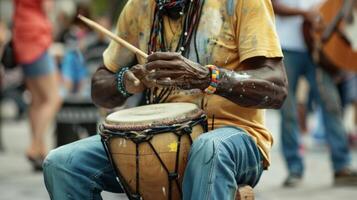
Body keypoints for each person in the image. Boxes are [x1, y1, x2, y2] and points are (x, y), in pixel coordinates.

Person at [43, 0, 287, 199]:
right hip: (155, 140)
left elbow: (276, 88)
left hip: (234, 136)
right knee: (62, 164)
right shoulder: (139, 7)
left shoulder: (242, 3)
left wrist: (206, 77)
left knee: (209, 148)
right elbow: (99, 88)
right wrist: (127, 81)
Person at [272, 0, 357, 187]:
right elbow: (272, 4)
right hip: (286, 47)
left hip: (320, 45)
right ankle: (294, 168)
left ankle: (341, 165)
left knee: (331, 104)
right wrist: (303, 14)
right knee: (288, 111)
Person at [13, 0, 62, 170]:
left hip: (22, 37)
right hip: (36, 38)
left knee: (37, 100)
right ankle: (34, 146)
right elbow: (47, 7)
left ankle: (41, 150)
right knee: (53, 98)